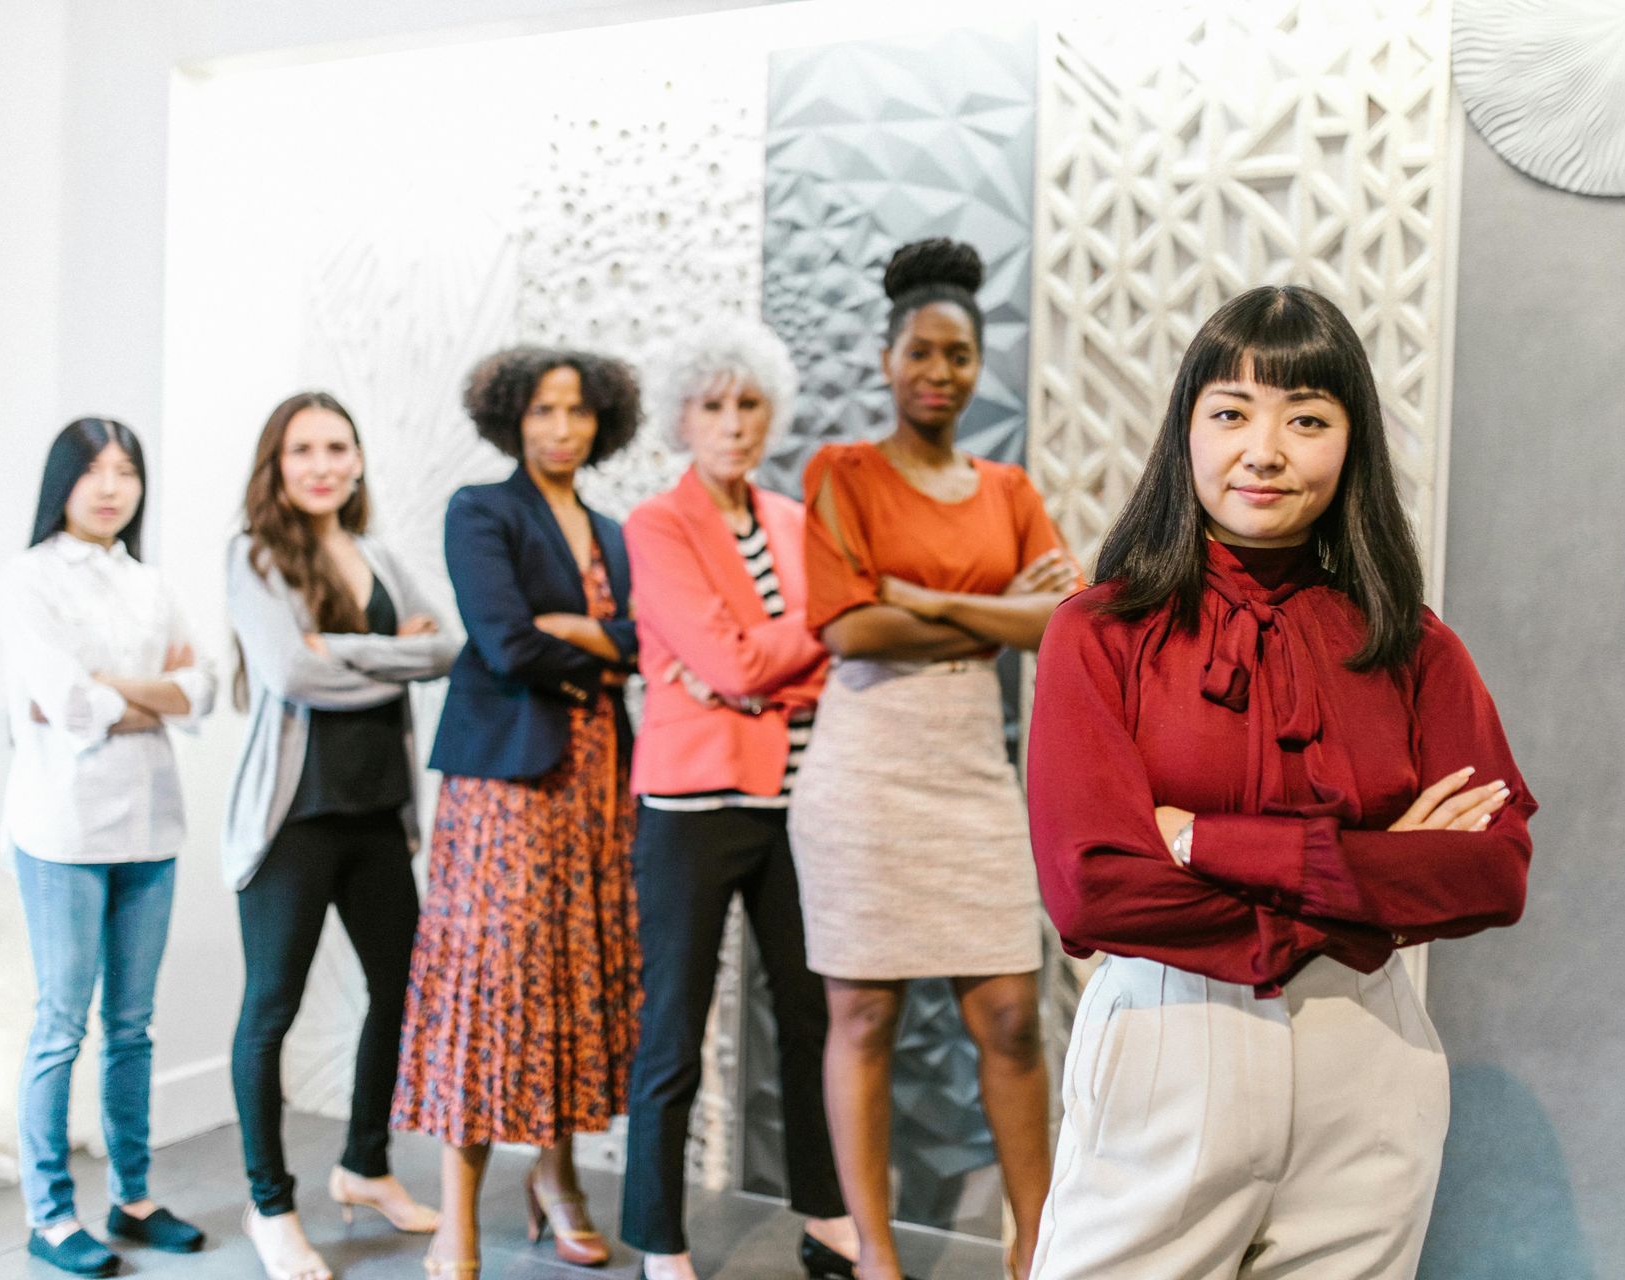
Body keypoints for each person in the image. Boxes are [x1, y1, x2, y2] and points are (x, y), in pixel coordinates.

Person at [1025, 285, 1536, 1279]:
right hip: (1172, 1038)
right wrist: (1373, 879)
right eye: (1231, 413)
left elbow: (1495, 869)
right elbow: (1091, 886)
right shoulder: (1099, 632)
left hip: (1370, 1056)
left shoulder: (1413, 645)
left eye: (1307, 417)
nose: (1264, 450)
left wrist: (1203, 839)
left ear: (1351, 444)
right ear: (1186, 433)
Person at [790, 238, 1080, 1280]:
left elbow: (1064, 623)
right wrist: (996, 616)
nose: (939, 371)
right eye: (921, 350)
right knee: (864, 1012)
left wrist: (923, 599)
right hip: (865, 769)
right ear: (886, 357)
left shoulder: (1007, 488)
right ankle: (874, 1251)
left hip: (971, 770)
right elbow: (849, 633)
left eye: (958, 354)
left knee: (1009, 1014)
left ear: (976, 365)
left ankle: (1037, 1245)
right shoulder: (843, 474)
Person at [392, 346, 642, 1277]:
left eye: (577, 411)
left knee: (571, 979)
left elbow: (646, 640)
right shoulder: (480, 511)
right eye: (542, 410)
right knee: (489, 986)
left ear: (601, 420)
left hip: (598, 781)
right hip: (505, 785)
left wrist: (592, 636)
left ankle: (557, 1177)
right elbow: (503, 645)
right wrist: (606, 646)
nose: (562, 428)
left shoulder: (617, 532)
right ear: (512, 418)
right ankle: (459, 1213)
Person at [619, 321, 857, 1280]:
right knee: (674, 1028)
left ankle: (828, 1212)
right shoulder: (656, 524)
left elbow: (806, 659)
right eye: (713, 405)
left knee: (811, 1016)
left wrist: (754, 671)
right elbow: (730, 658)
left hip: (797, 803)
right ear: (682, 416)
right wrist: (747, 665)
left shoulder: (796, 520)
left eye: (749, 403)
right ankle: (658, 1237)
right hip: (690, 809)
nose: (734, 423)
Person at [223, 391, 459, 1280]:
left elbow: (446, 653)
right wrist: (381, 655)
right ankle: (270, 1204)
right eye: (301, 450)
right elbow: (288, 671)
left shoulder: (378, 554)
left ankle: (364, 1165)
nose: (321, 463)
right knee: (270, 1010)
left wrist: (342, 652)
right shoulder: (253, 557)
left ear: (356, 461)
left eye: (336, 447)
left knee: (401, 991)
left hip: (374, 818)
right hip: (292, 822)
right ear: (276, 467)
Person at [0, 418, 217, 1276]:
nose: (110, 486)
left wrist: (118, 691)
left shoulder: (150, 583)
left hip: (150, 823)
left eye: (126, 470)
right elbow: (57, 701)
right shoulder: (29, 579)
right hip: (61, 829)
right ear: (63, 483)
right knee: (61, 1025)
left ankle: (132, 1197)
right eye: (92, 470)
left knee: (132, 1026)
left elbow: (201, 691)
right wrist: (151, 693)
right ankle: (49, 1216)